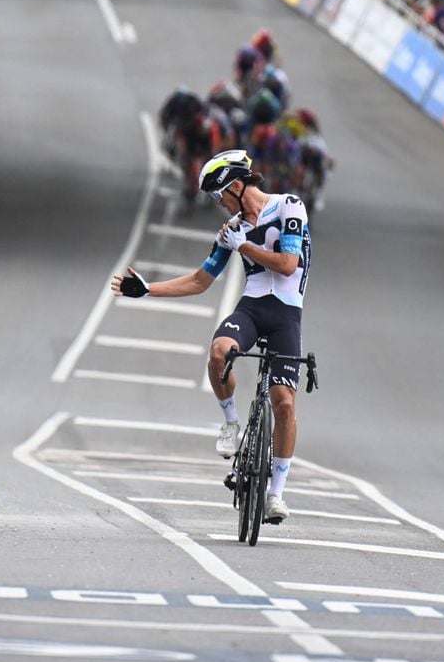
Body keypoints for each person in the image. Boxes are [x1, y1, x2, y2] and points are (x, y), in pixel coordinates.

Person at [111, 150, 312, 524]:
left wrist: (245, 246)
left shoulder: (288, 207)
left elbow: (287, 266)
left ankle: (276, 495)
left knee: (284, 404)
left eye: (218, 195)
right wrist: (148, 288)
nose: (217, 204)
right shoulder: (231, 230)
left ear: (236, 185)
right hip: (252, 308)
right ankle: (231, 422)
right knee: (219, 352)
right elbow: (201, 281)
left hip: (285, 313)